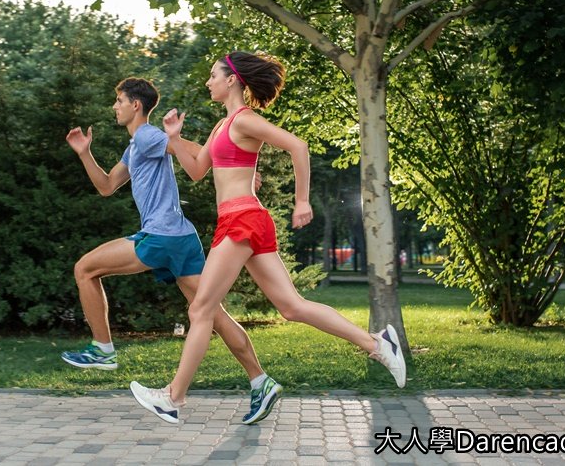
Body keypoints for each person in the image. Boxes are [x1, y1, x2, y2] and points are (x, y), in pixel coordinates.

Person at [129, 52, 407, 425]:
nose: (208, 82)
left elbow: (298, 146)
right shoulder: (221, 127)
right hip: (242, 221)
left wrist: (302, 200)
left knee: (200, 310)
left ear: (232, 80)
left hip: (242, 220)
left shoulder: (245, 121)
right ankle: (376, 344)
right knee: (291, 306)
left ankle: (172, 398)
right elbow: (196, 171)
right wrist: (175, 139)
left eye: (213, 75)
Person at [62, 77, 282, 424]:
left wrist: (240, 171)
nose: (115, 106)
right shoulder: (136, 147)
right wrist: (85, 153)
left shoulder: (148, 135)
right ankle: (260, 380)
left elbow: (197, 152)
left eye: (119, 100)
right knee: (212, 314)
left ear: (136, 105)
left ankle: (103, 350)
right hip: (181, 238)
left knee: (85, 268)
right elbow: (106, 186)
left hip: (162, 237)